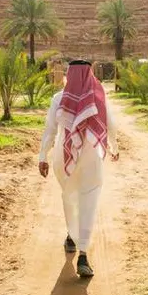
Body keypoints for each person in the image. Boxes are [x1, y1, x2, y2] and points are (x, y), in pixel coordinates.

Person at [38, 59, 119, 277]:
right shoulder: (99, 97)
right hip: (91, 158)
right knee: (89, 201)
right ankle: (83, 253)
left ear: (69, 75)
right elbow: (111, 125)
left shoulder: (58, 99)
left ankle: (71, 236)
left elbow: (49, 130)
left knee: (70, 197)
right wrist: (113, 147)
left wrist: (42, 156)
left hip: (64, 159)